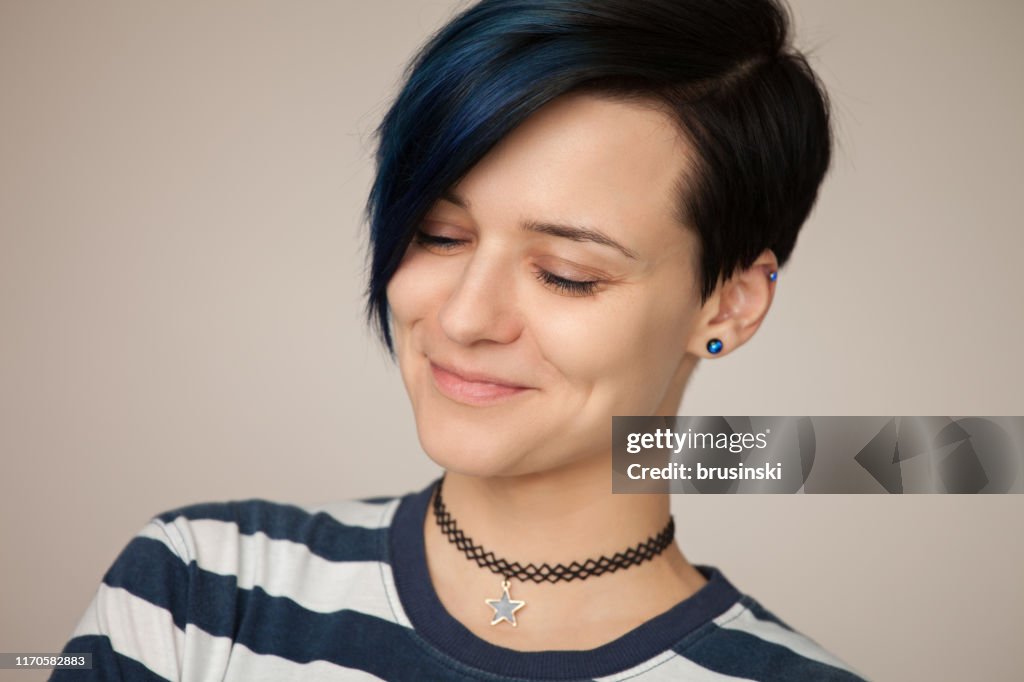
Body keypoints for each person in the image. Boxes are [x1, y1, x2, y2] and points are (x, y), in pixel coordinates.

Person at [55, 0, 868, 679]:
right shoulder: (199, 591)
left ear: (728, 307)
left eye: (566, 273)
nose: (464, 318)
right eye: (440, 235)